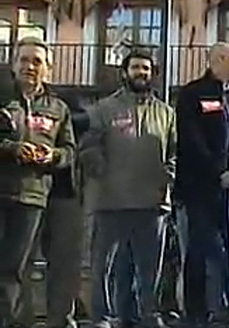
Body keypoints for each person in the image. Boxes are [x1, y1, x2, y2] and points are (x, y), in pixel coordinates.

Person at [80, 49, 176, 328]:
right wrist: (98, 166)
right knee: (104, 266)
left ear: (152, 74)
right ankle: (103, 317)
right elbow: (88, 144)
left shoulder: (166, 112)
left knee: (149, 267)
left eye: (146, 68)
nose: (141, 73)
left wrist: (169, 174)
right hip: (111, 200)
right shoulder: (103, 108)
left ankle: (148, 314)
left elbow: (174, 151)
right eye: (135, 67)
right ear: (125, 72)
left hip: (153, 202)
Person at [0, 37, 75, 328]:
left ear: (48, 69)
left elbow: (69, 151)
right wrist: (12, 149)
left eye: (37, 62)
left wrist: (52, 156)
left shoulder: (58, 108)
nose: (29, 67)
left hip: (32, 196)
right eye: (23, 60)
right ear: (13, 64)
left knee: (14, 269)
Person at [175, 42, 229, 326]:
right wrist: (217, 171)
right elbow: (192, 140)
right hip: (200, 188)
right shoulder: (193, 94)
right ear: (217, 60)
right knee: (200, 249)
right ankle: (195, 312)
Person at [41, 95, 89, 328]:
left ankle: (60, 319)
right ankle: (18, 318)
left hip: (63, 191)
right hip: (22, 190)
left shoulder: (62, 106)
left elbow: (84, 124)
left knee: (64, 262)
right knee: (18, 263)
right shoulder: (11, 102)